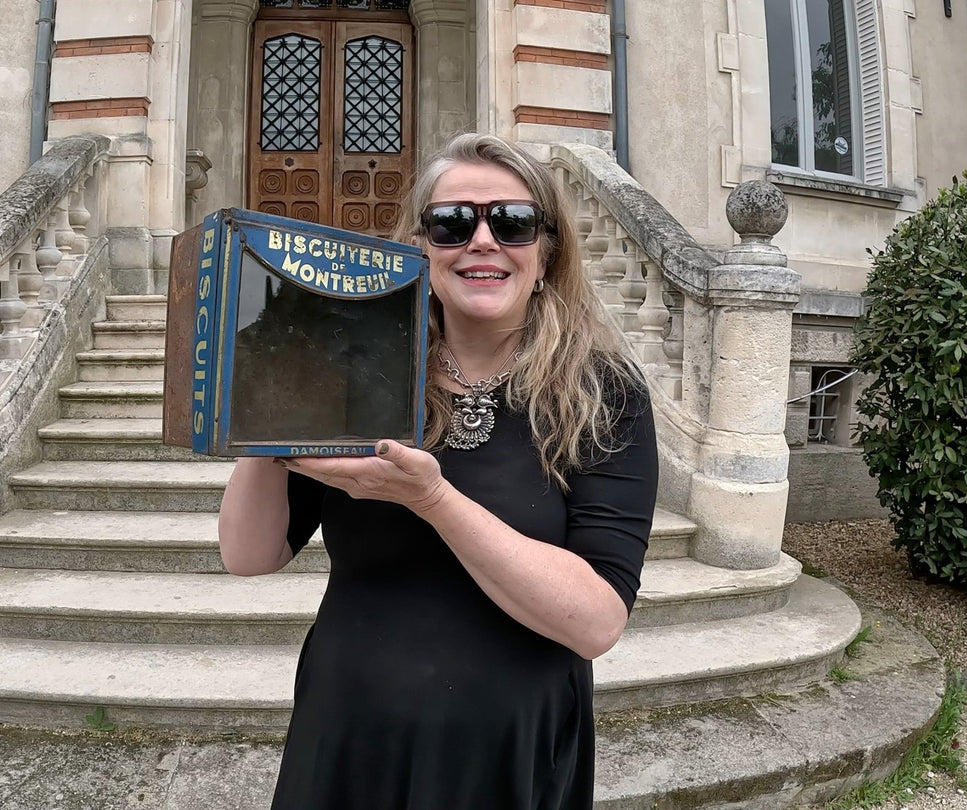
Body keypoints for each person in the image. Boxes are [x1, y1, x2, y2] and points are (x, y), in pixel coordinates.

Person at [217, 132, 659, 810]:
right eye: (452, 223)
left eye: (511, 222)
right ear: (421, 250)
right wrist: (268, 400)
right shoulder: (359, 373)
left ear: (546, 255)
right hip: (348, 733)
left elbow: (595, 622)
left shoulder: (604, 394)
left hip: (506, 752)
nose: (482, 241)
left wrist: (432, 499)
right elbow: (248, 555)